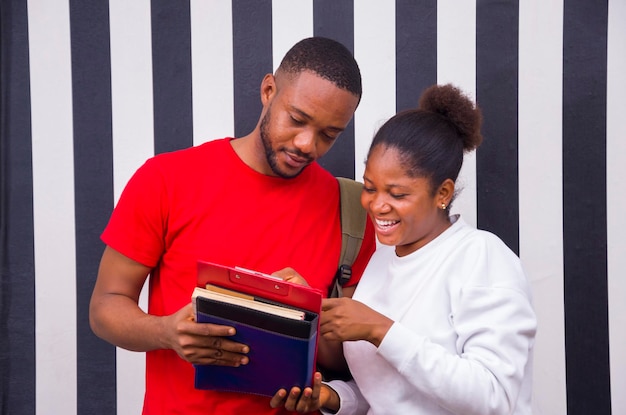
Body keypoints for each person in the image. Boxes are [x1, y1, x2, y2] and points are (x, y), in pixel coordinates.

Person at [89, 36, 376, 415]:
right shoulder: (165, 180)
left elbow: (350, 359)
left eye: (329, 134)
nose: (307, 144)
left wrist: (313, 318)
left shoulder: (352, 212)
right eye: (297, 119)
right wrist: (166, 332)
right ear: (268, 90)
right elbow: (106, 306)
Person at [271, 84, 537, 414]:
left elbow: (493, 398)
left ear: (442, 193)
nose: (377, 205)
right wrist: (331, 396)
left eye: (397, 195)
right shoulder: (382, 261)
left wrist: (379, 328)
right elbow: (388, 389)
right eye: (369, 188)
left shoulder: (481, 258)